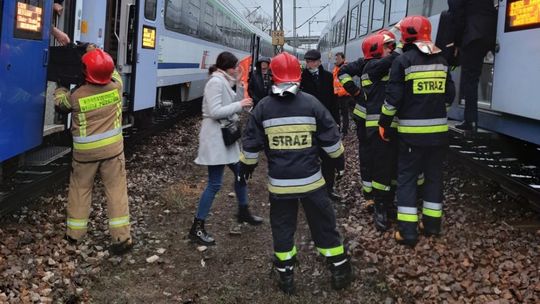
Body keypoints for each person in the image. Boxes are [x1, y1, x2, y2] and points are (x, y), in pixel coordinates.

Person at [239, 52, 352, 294]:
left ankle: (285, 274)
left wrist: (247, 167)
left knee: (282, 226)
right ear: (299, 75)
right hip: (312, 183)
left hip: (280, 185)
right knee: (324, 224)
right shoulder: (311, 103)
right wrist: (340, 163)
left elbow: (250, 144)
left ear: (273, 76)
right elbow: (331, 141)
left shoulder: (263, 108)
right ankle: (340, 269)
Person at [378, 16, 455, 246]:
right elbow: (449, 97)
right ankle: (432, 225)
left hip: (411, 135)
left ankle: (408, 232)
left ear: (406, 35)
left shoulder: (402, 62)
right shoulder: (442, 61)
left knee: (408, 179)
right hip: (439, 134)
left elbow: (393, 100)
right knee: (433, 177)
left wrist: (384, 123)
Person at [53, 46, 132, 255]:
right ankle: (121, 237)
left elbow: (60, 104)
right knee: (116, 191)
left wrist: (60, 86)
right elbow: (112, 71)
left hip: (85, 155)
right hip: (113, 153)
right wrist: (97, 50)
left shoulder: (77, 96)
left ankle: (75, 235)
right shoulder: (116, 87)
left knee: (80, 190)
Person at [190, 51, 262, 246]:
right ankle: (197, 226)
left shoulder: (224, 80)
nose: (237, 69)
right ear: (227, 66)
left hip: (224, 138)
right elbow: (214, 111)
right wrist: (240, 104)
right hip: (215, 138)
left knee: (240, 174)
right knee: (214, 183)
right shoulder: (215, 82)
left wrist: (239, 83)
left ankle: (243, 211)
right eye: (235, 66)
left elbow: (234, 101)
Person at [360, 33, 399, 231]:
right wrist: (401, 52)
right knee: (382, 168)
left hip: (395, 125)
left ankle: (389, 202)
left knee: (393, 168)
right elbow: (389, 62)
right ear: (375, 50)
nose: (390, 49)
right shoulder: (371, 67)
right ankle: (380, 206)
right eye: (386, 46)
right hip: (378, 127)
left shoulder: (390, 64)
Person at [448, 0, 497, 131]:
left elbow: (457, 16)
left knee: (470, 79)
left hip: (473, 35)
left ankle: (470, 121)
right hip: (491, 33)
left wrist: (457, 42)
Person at [300, 49, 340, 201]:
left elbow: (334, 101)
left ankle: (329, 188)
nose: (309, 64)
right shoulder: (302, 78)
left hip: (326, 123)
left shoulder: (328, 77)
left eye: (311, 61)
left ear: (318, 61)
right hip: (308, 124)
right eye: (307, 61)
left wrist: (337, 122)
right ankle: (310, 189)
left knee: (329, 157)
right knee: (309, 157)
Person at [337, 48, 372, 207]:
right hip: (369, 118)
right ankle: (372, 194)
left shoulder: (363, 64)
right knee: (370, 155)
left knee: (369, 155)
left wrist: (356, 93)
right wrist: (356, 92)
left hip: (364, 116)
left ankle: (372, 194)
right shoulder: (393, 61)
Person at [332, 52, 354, 136]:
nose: (336, 60)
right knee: (344, 114)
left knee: (345, 114)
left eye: (338, 59)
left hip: (345, 95)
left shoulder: (346, 67)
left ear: (343, 59)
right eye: (336, 59)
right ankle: (343, 130)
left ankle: (344, 132)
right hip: (339, 94)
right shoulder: (336, 68)